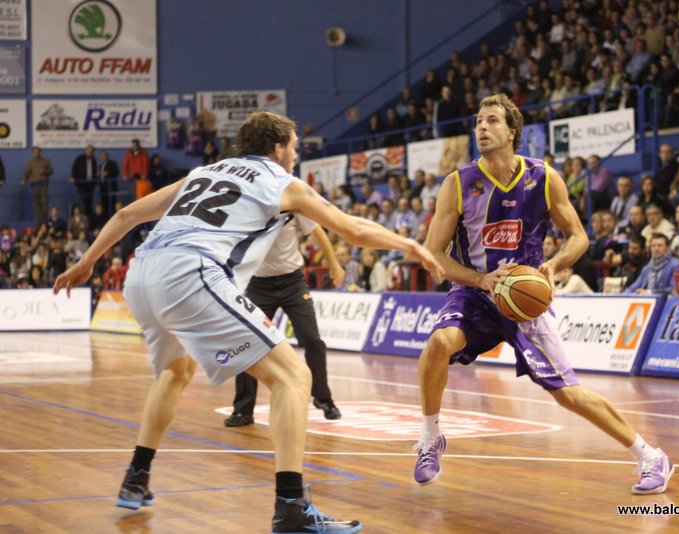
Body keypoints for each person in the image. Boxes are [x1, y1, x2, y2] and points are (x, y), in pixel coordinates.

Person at [54, 111, 444, 533]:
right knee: (294, 377)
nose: (295, 156)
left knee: (176, 370)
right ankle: (291, 508)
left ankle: (136, 478)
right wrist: (409, 243)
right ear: (277, 148)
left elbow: (128, 214)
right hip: (192, 272)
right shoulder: (280, 181)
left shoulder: (204, 173)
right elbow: (353, 229)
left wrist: (87, 262)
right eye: (293, 147)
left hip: (143, 273)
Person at [412, 93, 674, 496]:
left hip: (524, 298)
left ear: (512, 131)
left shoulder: (545, 177)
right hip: (476, 293)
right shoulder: (459, 184)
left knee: (568, 394)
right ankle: (430, 437)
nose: (481, 127)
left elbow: (579, 236)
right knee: (437, 345)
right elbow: (433, 253)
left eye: (492, 121)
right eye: (479, 121)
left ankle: (651, 456)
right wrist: (481, 281)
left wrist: (553, 266)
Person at [225, 216, 346, 427]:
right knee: (248, 343)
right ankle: (243, 410)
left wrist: (334, 264)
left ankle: (322, 398)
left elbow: (317, 232)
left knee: (312, 340)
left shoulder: (292, 204)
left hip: (293, 283)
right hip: (258, 285)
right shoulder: (250, 208)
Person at [21, 146, 54, 226]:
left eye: (37, 152)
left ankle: (45, 223)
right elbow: (27, 172)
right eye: (34, 152)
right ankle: (40, 223)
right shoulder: (31, 162)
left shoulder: (46, 161)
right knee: (36, 205)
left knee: (44, 204)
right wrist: (24, 180)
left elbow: (51, 171)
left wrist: (45, 172)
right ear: (32, 153)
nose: (36, 153)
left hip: (44, 185)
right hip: (34, 185)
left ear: (40, 152)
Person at [70, 145, 98, 213]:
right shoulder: (79, 159)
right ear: (86, 151)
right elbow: (74, 167)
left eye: (91, 151)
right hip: (81, 183)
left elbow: (94, 170)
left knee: (90, 200)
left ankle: (88, 214)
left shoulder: (94, 160)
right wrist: (73, 176)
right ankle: (86, 214)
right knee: (84, 200)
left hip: (91, 184)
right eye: (88, 151)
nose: (90, 152)